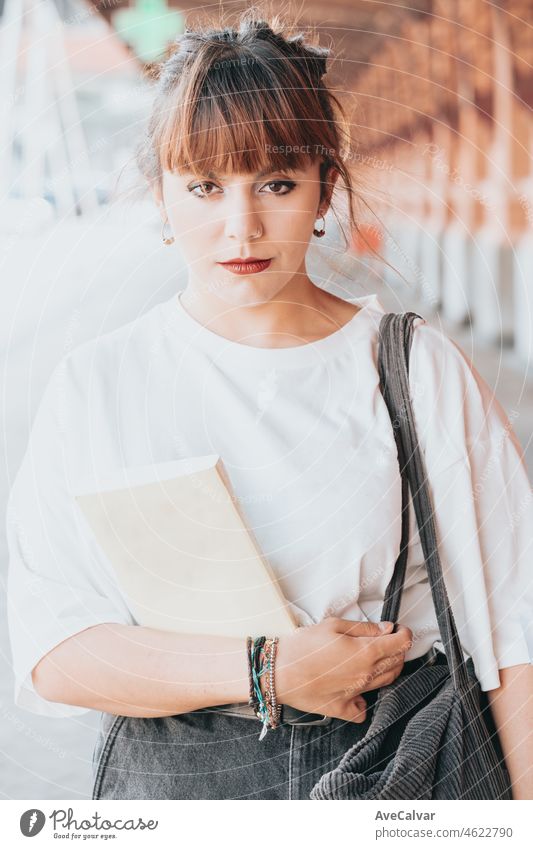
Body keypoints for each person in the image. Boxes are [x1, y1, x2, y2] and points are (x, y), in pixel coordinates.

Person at [5, 10, 532, 801]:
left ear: (325, 184)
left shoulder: (415, 368)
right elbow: (54, 649)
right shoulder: (98, 383)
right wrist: (270, 669)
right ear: (160, 193)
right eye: (205, 186)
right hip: (183, 790)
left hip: (399, 772)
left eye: (276, 183)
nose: (240, 225)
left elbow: (514, 634)